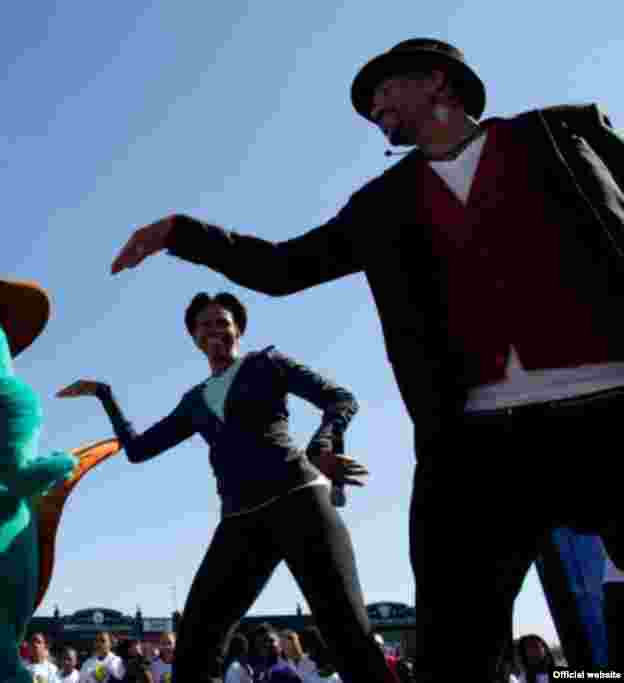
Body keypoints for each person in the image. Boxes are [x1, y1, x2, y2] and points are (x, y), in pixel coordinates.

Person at [110, 37, 624, 682]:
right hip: (477, 443)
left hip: (612, 411)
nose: (373, 108)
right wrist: (181, 233)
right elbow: (282, 267)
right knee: (454, 650)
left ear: (439, 82)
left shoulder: (558, 137)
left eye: (383, 91)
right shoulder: (385, 202)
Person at [59, 292, 394, 683]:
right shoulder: (195, 401)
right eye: (205, 325)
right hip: (240, 520)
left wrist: (321, 446)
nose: (214, 330)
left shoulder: (268, 363)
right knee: (195, 644)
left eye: (222, 321)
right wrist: (105, 395)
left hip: (300, 501)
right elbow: (138, 450)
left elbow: (340, 400)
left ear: (238, 329)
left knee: (347, 632)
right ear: (194, 338)